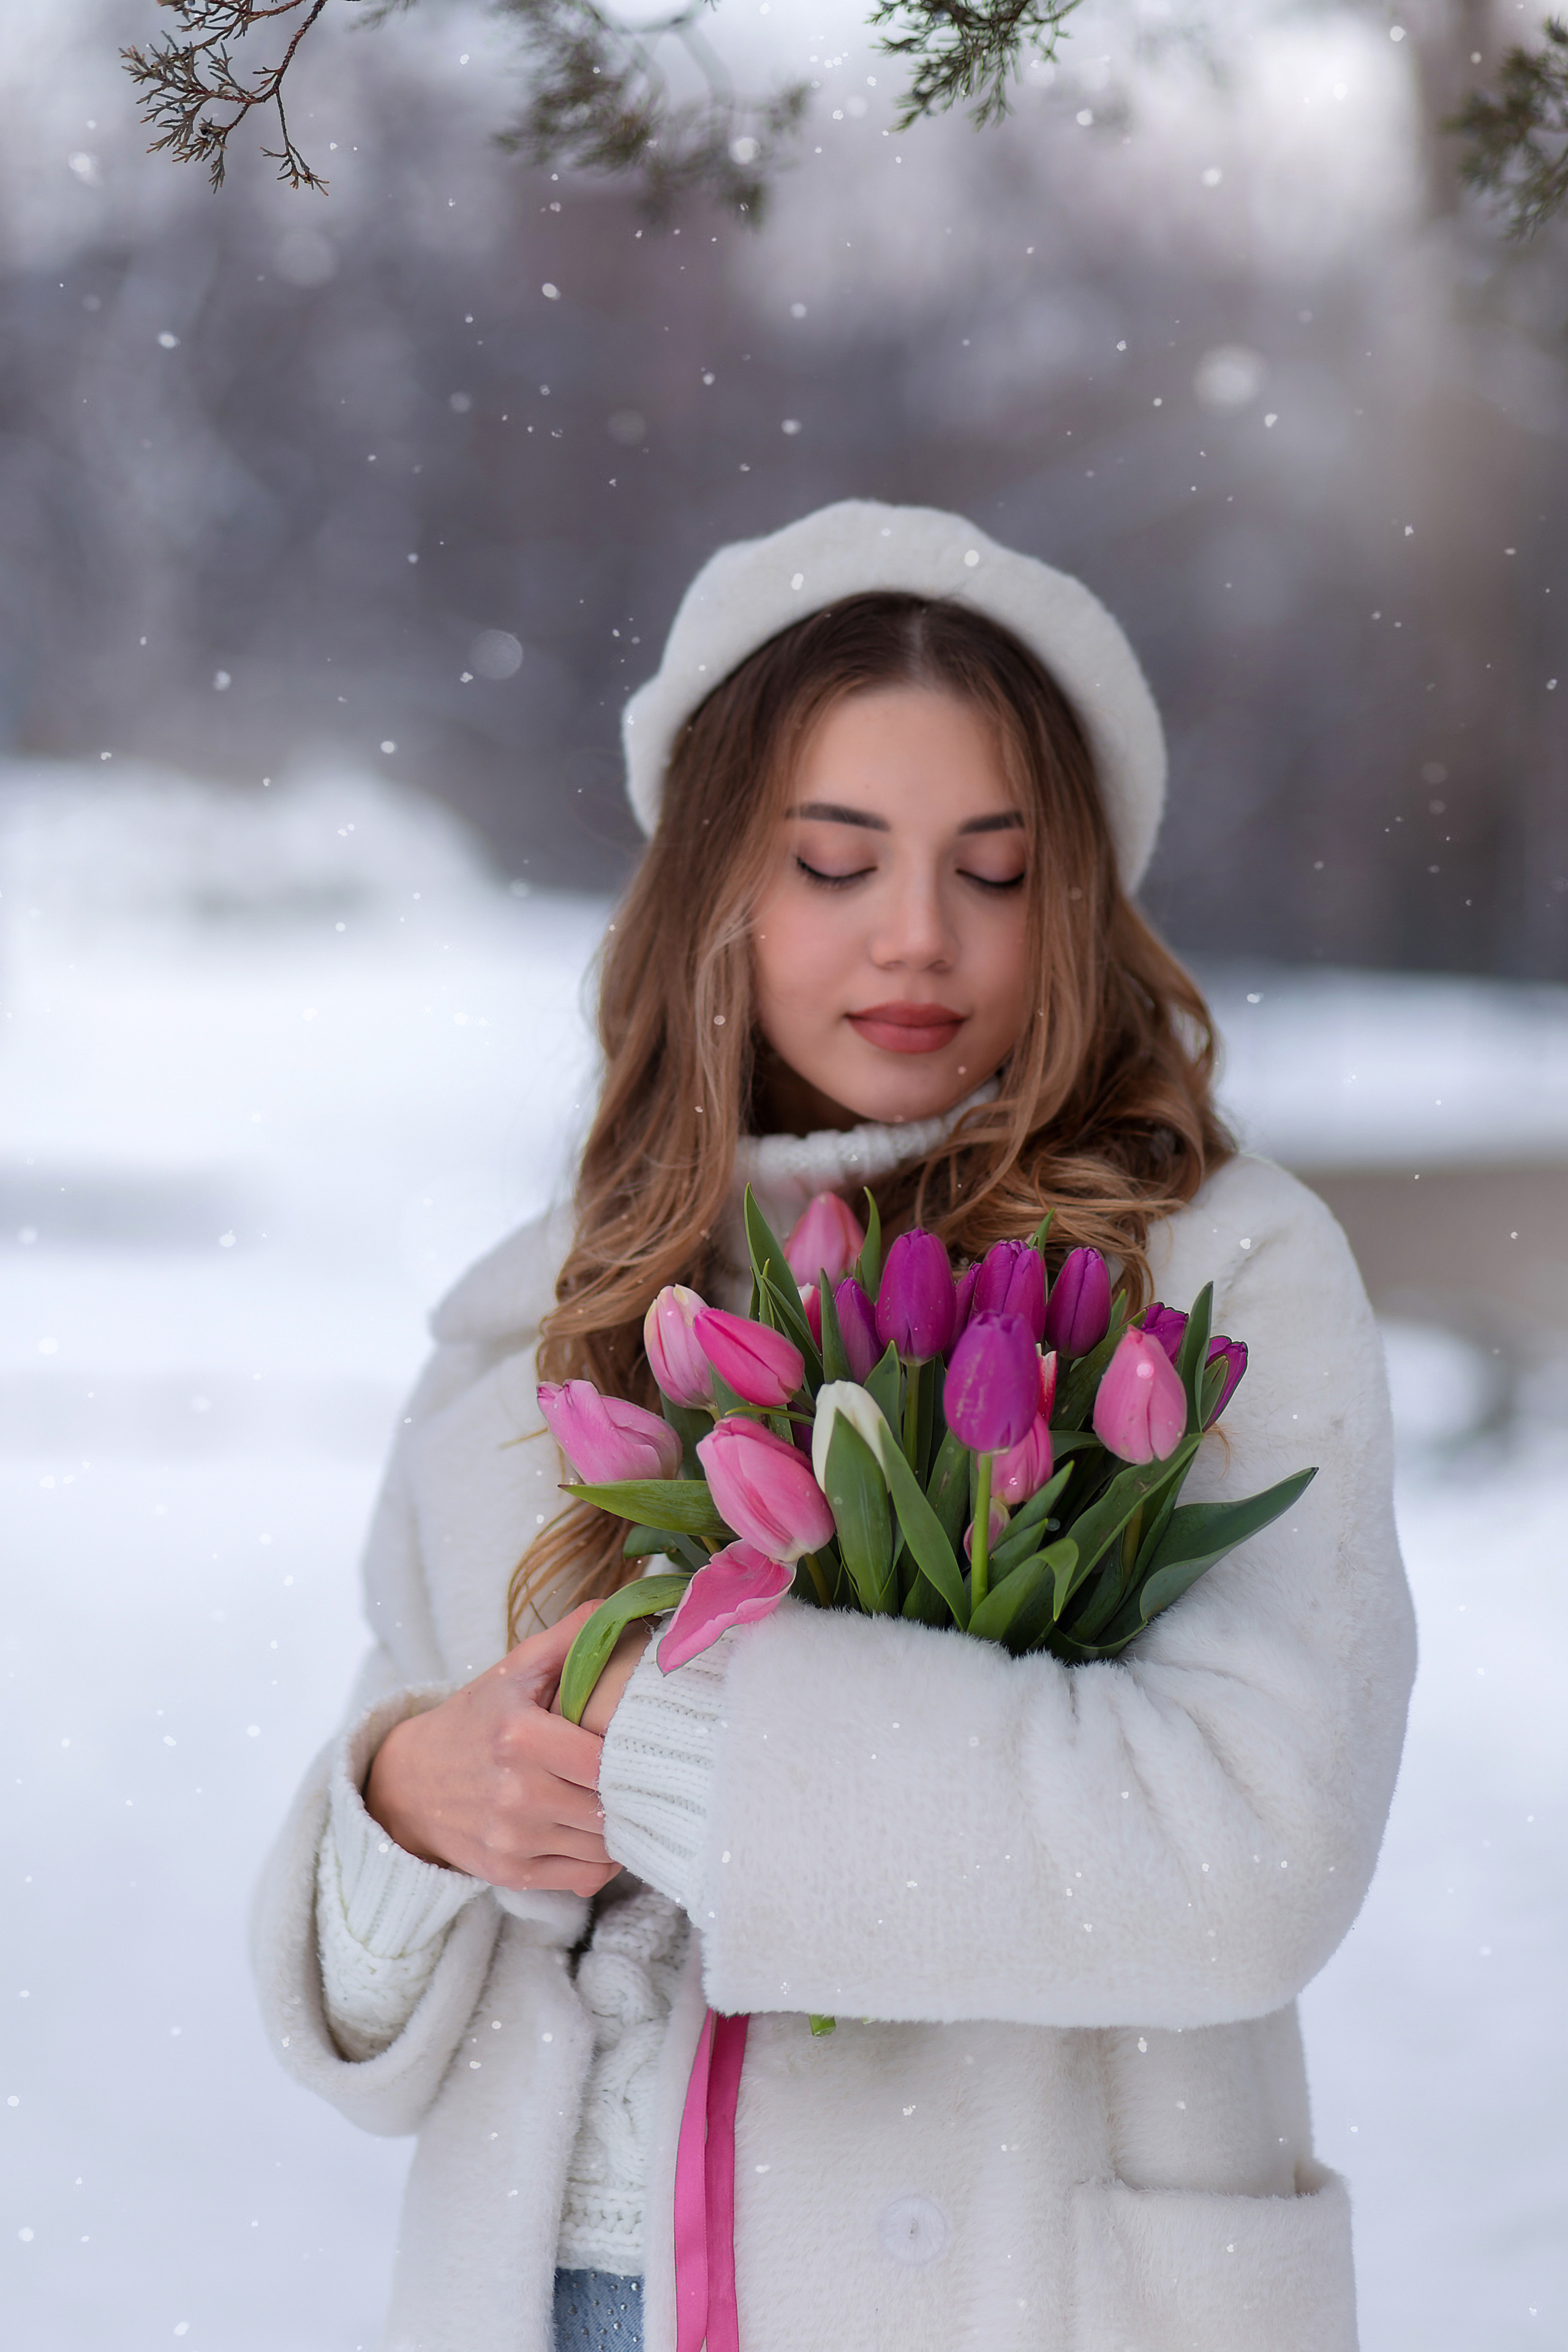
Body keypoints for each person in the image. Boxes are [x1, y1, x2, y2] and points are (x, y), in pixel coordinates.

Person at [253, 499, 1415, 2352]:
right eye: (834, 861)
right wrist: (408, 1806)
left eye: (995, 866)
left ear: (1077, 894)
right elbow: (373, 2027)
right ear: (717, 882)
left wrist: (697, 1754)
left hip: (1020, 2293)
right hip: (565, 2290)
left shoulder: (1209, 1278)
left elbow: (1257, 1848)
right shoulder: (538, 1327)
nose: (917, 936)